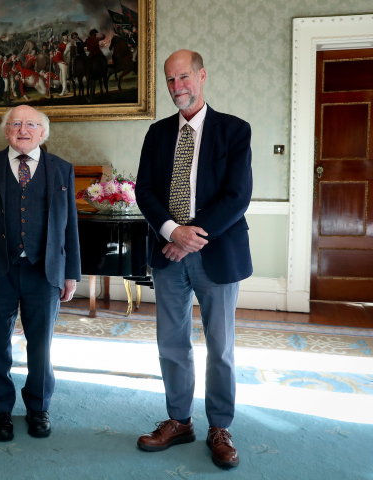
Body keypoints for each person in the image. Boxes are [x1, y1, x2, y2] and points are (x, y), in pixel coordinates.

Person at [134, 50, 252, 468]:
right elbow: (144, 190)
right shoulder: (157, 133)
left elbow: (236, 197)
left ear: (201, 76)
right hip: (167, 254)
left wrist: (188, 237)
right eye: (169, 80)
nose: (177, 87)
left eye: (183, 77)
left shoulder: (235, 131)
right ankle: (179, 421)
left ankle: (220, 426)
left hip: (216, 253)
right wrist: (171, 231)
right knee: (172, 342)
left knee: (220, 346)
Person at [0, 105, 81, 442]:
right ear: (6, 131)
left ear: (43, 132)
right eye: (15, 123)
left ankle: (38, 408)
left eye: (31, 124)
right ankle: (0, 410)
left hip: (43, 272)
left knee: (41, 346)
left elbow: (70, 225)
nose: (23, 129)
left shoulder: (61, 169)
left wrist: (71, 272)